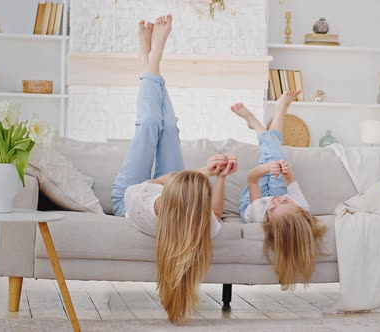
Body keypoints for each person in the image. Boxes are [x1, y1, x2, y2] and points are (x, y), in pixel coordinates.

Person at [111, 15, 237, 324]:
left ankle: (153, 56)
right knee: (169, 128)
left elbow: (156, 181)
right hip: (169, 194)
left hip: (131, 193)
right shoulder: (197, 221)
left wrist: (201, 173)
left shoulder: (146, 204)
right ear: (196, 210)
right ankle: (148, 59)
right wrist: (219, 177)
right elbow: (217, 216)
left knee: (150, 127)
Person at [231, 91, 326, 290]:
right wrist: (285, 170)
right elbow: (290, 180)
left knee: (271, 159)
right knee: (276, 156)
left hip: (252, 200)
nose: (275, 202)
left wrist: (267, 169)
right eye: (284, 202)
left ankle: (257, 124)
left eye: (274, 209)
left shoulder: (260, 215)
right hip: (273, 193)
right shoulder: (300, 207)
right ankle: (278, 113)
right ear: (297, 208)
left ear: (269, 221)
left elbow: (252, 179)